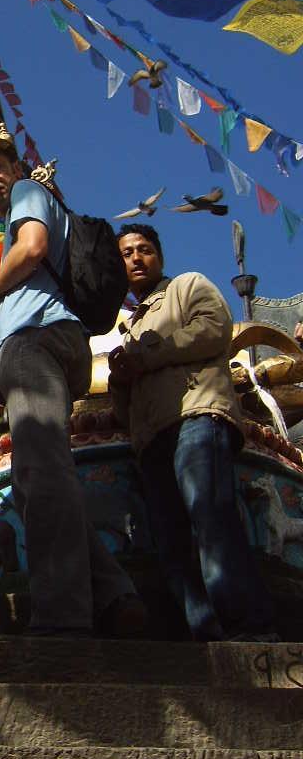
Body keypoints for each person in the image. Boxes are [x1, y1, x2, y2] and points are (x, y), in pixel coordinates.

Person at [0, 131, 143, 637]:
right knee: (32, 480)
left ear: (14, 165)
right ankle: (113, 594)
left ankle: (62, 619)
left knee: (41, 474)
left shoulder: (27, 193)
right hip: (61, 343)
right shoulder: (38, 201)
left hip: (34, 339)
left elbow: (32, 246)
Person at [109, 225, 278, 642]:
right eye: (126, 253)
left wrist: (145, 354)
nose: (135, 258)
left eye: (144, 249)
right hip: (151, 439)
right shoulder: (128, 326)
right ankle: (205, 635)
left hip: (196, 415)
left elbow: (213, 329)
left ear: (160, 257)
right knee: (170, 543)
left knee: (210, 517)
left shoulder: (188, 286)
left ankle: (250, 629)